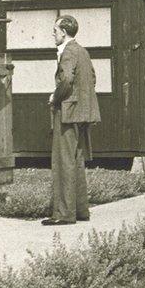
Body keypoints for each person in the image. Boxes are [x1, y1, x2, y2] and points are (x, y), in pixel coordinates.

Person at [42, 15, 101, 225]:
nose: (53, 34)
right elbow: (92, 78)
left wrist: (55, 97)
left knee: (63, 161)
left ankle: (64, 215)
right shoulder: (83, 51)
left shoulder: (67, 52)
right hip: (83, 113)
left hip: (67, 114)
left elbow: (66, 79)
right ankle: (80, 211)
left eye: (55, 31)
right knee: (76, 162)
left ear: (64, 33)